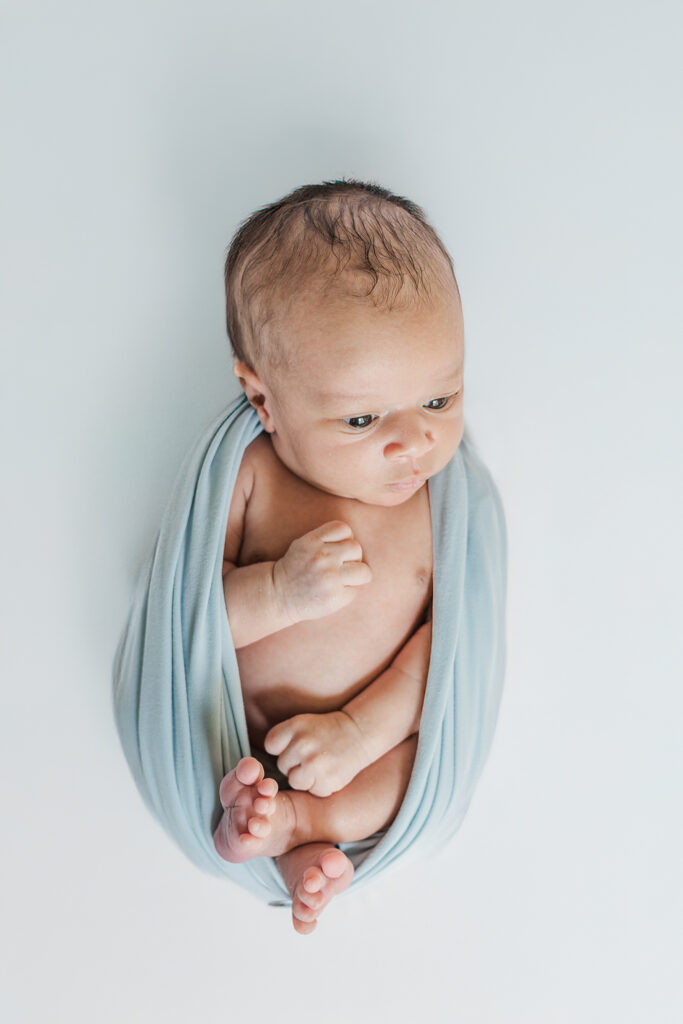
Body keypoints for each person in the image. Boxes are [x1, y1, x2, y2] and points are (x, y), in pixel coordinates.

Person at [213, 179, 465, 934]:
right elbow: (187, 627)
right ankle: (256, 815)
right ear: (264, 402)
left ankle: (293, 834)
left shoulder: (437, 504)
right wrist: (279, 593)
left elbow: (443, 655)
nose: (414, 442)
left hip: (372, 743)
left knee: (405, 775)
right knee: (248, 774)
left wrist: (359, 732)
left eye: (440, 400)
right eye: (362, 417)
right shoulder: (252, 475)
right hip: (246, 733)